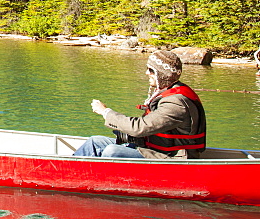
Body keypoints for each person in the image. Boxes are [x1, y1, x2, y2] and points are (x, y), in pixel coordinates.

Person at [72, 50, 206, 159]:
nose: (147, 73)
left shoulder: (176, 103)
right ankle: (70, 172)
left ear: (162, 74)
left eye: (151, 70)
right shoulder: (168, 92)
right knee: (95, 142)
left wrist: (105, 111)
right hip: (153, 148)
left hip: (170, 157)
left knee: (111, 152)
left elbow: (139, 127)